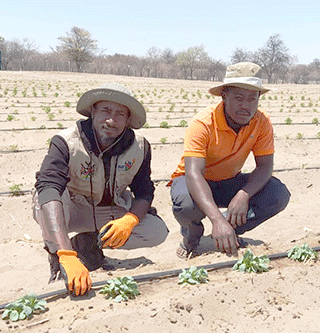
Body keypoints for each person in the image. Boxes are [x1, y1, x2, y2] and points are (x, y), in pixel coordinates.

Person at [33, 83, 168, 296]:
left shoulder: (139, 147)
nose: (111, 120)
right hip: (73, 209)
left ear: (128, 120)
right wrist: (65, 253)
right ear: (93, 111)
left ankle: (88, 244)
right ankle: (60, 254)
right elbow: (49, 187)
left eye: (120, 114)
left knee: (156, 232)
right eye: (105, 110)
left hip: (110, 209)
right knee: (46, 201)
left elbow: (144, 191)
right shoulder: (66, 142)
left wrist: (129, 220)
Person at [170, 62, 290, 259]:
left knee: (277, 194)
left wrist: (242, 195)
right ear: (224, 95)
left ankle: (231, 230)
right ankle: (192, 238)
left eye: (252, 99)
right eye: (239, 98)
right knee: (186, 205)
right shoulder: (203, 123)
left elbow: (265, 166)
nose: (246, 106)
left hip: (228, 181)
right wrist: (216, 218)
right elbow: (193, 173)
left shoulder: (262, 122)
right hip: (195, 181)